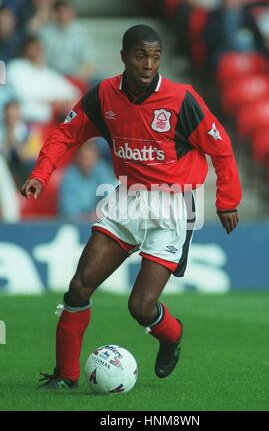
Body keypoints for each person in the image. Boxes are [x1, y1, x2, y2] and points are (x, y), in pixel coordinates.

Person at [21, 25, 242, 389]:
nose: (148, 64)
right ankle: (65, 375)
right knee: (78, 287)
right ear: (124, 56)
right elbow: (66, 134)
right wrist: (41, 174)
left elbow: (221, 147)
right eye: (141, 56)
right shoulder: (105, 95)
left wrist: (227, 200)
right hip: (127, 199)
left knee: (140, 306)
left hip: (173, 205)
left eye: (155, 57)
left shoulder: (182, 99)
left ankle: (171, 336)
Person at [59, 139, 115, 221]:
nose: (87, 162)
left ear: (96, 158)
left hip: (100, 222)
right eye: (84, 158)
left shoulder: (102, 171)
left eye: (91, 158)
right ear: (78, 157)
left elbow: (111, 200)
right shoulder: (69, 177)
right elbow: (68, 212)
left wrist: (99, 214)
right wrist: (89, 217)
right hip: (76, 224)